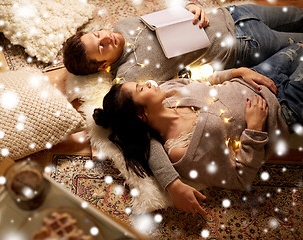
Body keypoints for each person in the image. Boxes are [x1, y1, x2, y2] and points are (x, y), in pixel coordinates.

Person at [92, 43, 303, 215]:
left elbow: (207, 80)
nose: (148, 83)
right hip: (283, 108)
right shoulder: (182, 151)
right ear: (141, 114)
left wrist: (238, 72)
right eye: (141, 88)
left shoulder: (167, 91)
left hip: (256, 77)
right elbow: (240, 178)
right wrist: (255, 129)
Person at [63, 3, 303, 84]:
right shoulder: (131, 75)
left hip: (232, 13)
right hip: (243, 44)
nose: (106, 38)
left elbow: (168, 17)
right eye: (101, 48)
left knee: (296, 14)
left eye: (97, 35)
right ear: (101, 66)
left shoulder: (121, 25)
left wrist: (191, 6)